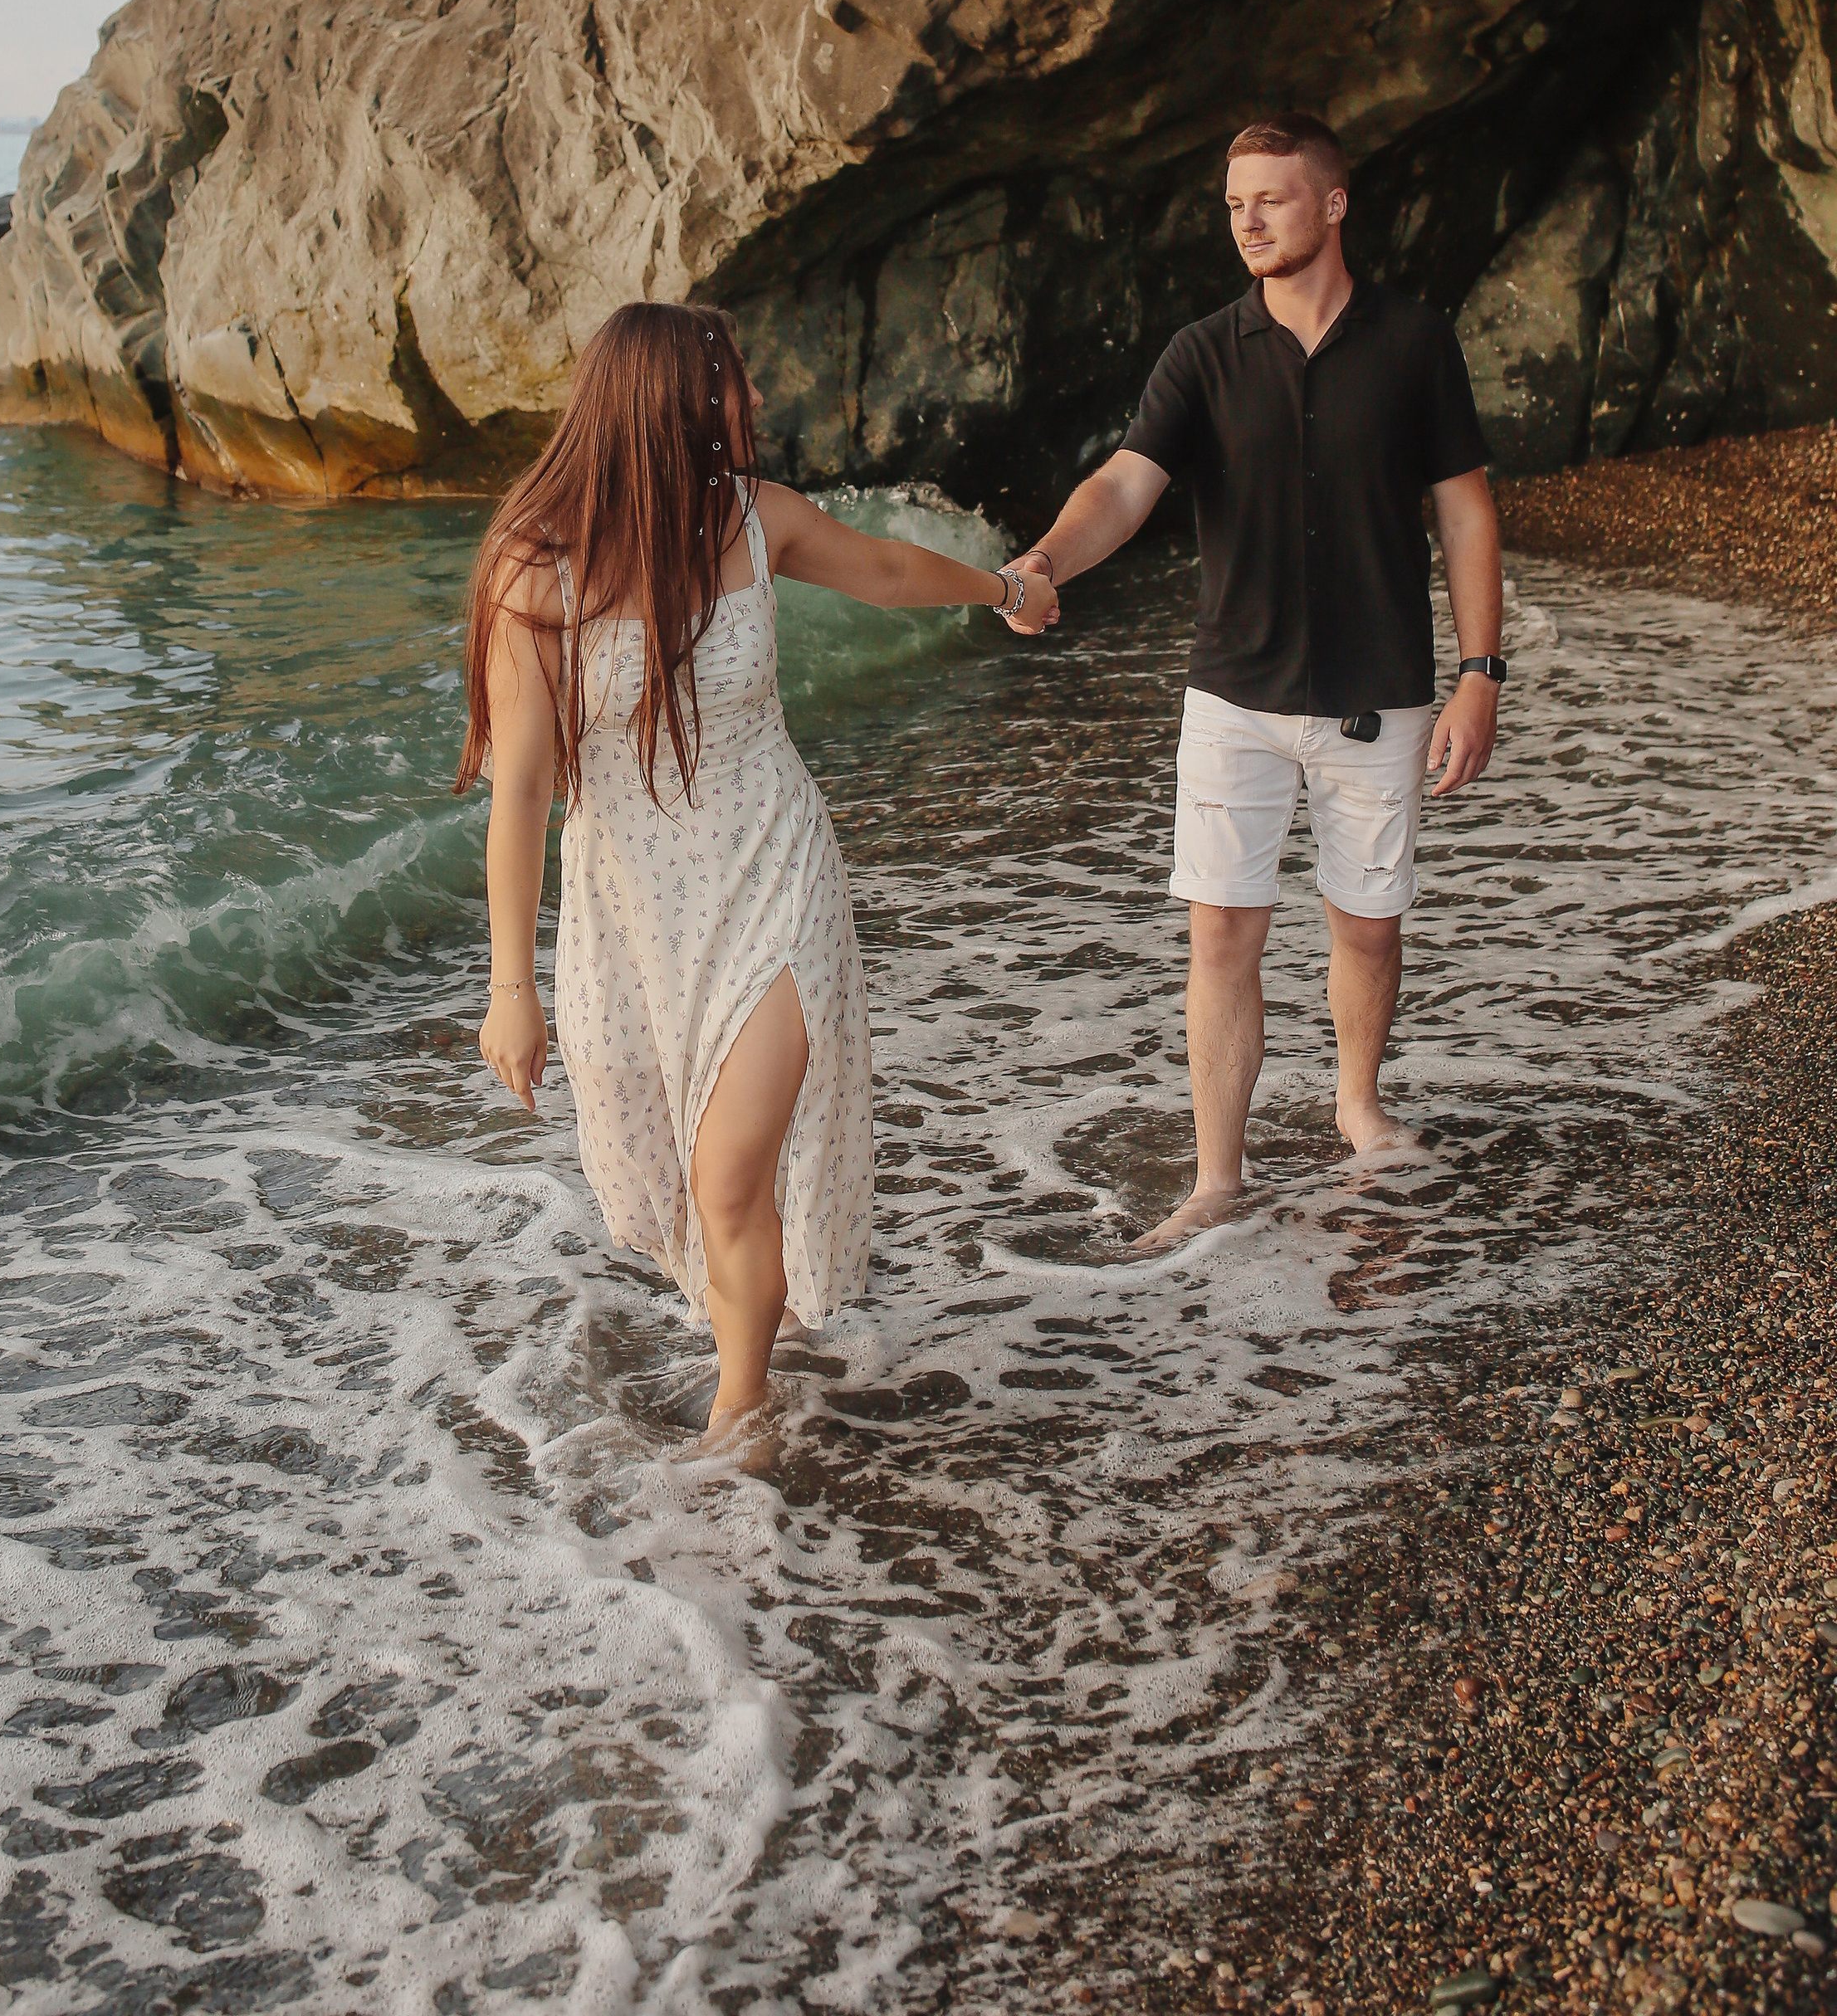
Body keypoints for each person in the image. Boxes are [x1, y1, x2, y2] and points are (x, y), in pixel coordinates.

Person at [459, 303, 1025, 1428]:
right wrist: (509, 993)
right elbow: (519, 793)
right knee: (685, 1182)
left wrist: (1007, 590)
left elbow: (888, 573)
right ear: (665, 400)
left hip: (774, 873)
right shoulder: (536, 568)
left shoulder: (758, 520)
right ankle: (743, 1357)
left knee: (730, 1176)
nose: (752, 401)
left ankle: (742, 1412)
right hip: (633, 911)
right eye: (732, 379)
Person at [1002, 114, 1504, 1250]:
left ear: (1332, 205)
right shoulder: (1203, 352)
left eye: (1271, 199)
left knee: (1367, 928)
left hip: (1383, 690)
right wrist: (1042, 558)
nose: (1249, 222)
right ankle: (1216, 1177)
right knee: (1222, 936)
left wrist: (1482, 672)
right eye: (1234, 205)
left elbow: (1465, 507)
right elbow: (1127, 486)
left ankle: (1358, 1107)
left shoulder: (1416, 341)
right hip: (1234, 695)